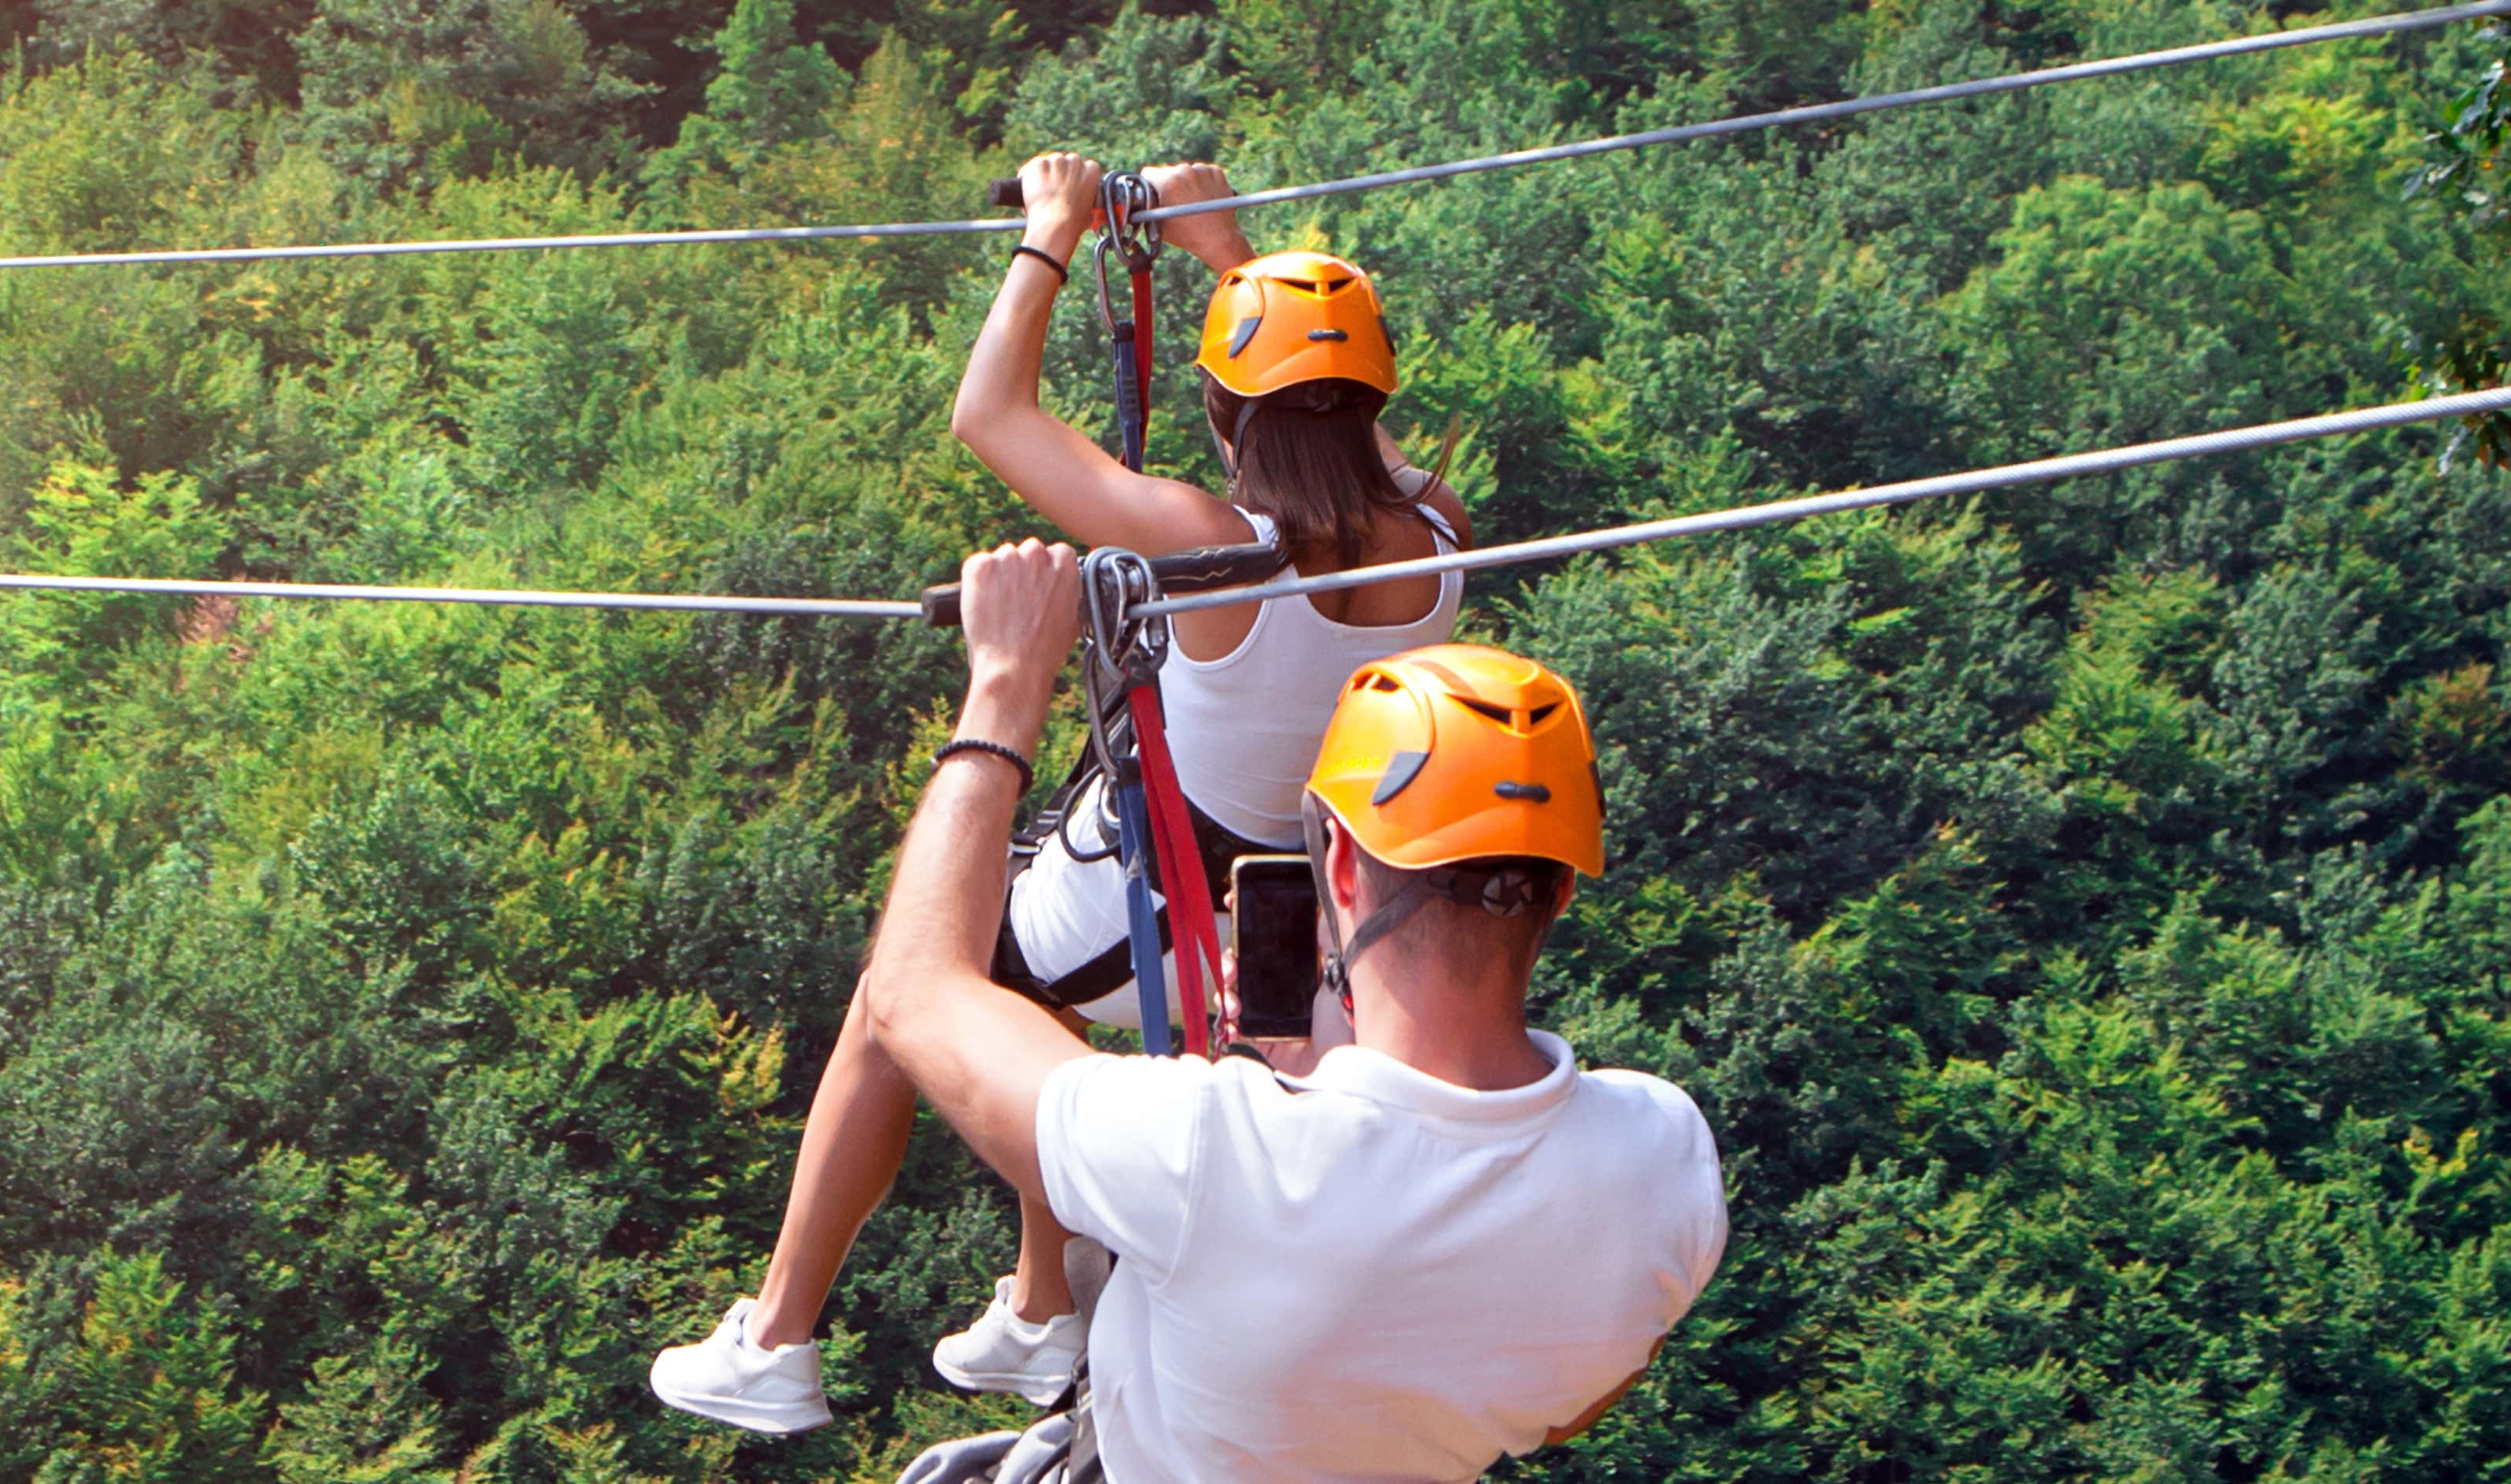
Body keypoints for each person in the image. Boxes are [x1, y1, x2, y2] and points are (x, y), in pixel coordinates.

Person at [652, 153, 1482, 1429]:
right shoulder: (1441, 539)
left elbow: (987, 416)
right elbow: (1342, 433)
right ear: (1367, 396)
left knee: (902, 990)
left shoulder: (1206, 545)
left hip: (1157, 898)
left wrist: (1049, 232)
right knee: (1026, 991)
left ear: (1221, 414)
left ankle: (775, 1338)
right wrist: (1229, 257)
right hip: (1287, 918)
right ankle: (1041, 1309)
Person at [858, 544, 1725, 1480]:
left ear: (1342, 868)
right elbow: (1556, 1407)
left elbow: (914, 991)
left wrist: (1005, 683)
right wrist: (1313, 1083)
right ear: (1558, 894)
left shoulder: (1209, 1151)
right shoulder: (1661, 1165)